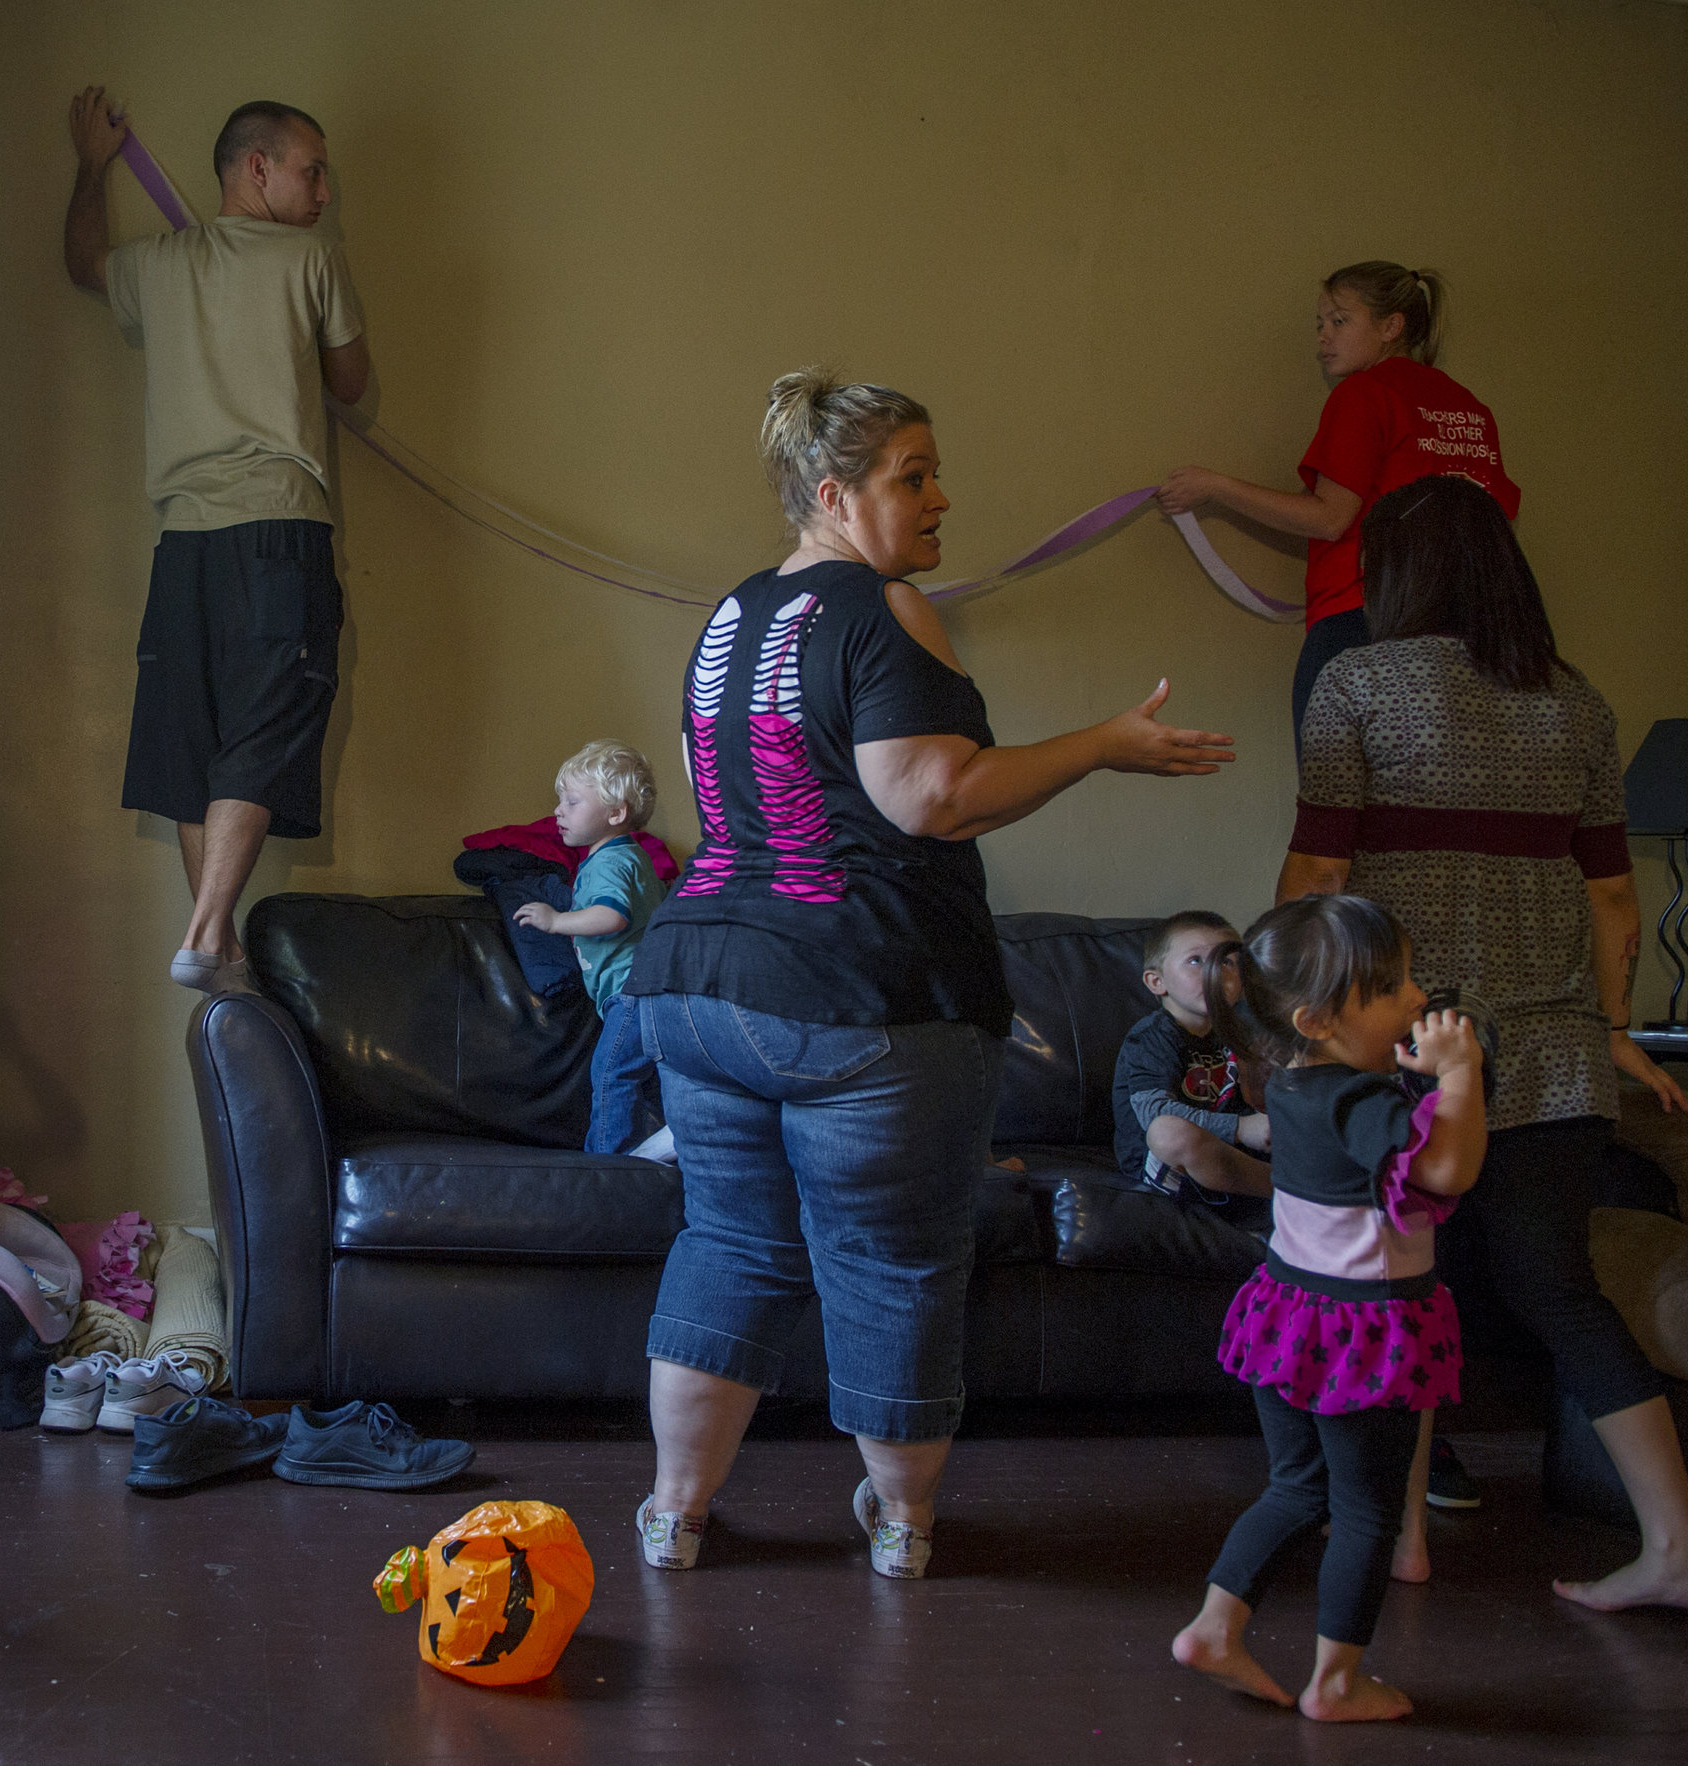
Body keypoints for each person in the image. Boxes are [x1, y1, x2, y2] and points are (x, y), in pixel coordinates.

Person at [620, 369, 1237, 1578]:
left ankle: (672, 1513)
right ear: (835, 491)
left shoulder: (733, 615)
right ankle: (901, 1527)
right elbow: (930, 794)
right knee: (889, 1258)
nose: (942, 496)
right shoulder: (881, 602)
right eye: (914, 476)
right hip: (861, 997)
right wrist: (1103, 745)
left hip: (695, 982)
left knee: (730, 1246)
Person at [1279, 474, 1688, 1610]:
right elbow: (1615, 904)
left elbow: (1318, 877)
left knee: (1396, 1282)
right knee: (1560, 1291)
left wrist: (1295, 1021)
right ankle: (1681, 1543)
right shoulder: (1574, 703)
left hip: (1402, 1048)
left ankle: (1398, 1541)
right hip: (1549, 1053)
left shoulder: (1358, 684)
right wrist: (1614, 1029)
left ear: (1397, 572)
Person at [64, 90, 371, 996]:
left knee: (190, 739)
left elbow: (83, 263)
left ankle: (216, 942)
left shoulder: (161, 266)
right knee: (266, 720)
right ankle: (207, 933)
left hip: (184, 542)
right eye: (311, 171)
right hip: (279, 527)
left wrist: (90, 165)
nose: (322, 194)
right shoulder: (313, 257)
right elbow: (351, 383)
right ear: (256, 168)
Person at [1172, 895, 1485, 1723]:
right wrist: (1460, 1075)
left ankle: (1215, 1625)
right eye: (1392, 986)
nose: (1417, 997)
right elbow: (1449, 1173)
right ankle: (1337, 1683)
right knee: (1366, 1511)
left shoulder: (1297, 1087)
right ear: (1315, 1018)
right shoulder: (1362, 1102)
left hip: (1288, 1317)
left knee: (1295, 1489)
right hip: (1362, 1333)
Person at [1156, 262, 1518, 742]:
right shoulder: (1470, 409)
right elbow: (1501, 517)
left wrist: (1214, 487)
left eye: (1340, 321)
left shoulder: (1365, 395)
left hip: (1363, 621)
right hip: (1471, 632)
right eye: (1320, 324)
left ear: (1392, 326)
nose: (1324, 337)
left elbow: (1329, 517)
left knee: (1339, 794)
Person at [512, 740, 671, 1157]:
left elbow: (611, 916)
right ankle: (665, 1147)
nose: (558, 811)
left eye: (572, 802)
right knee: (652, 1081)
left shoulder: (611, 863)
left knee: (610, 1074)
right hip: (651, 993)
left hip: (633, 993)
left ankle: (604, 1165)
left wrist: (556, 921)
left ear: (615, 814)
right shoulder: (625, 857)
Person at [1112, 910, 1272, 1201]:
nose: (1216, 973)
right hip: (1167, 1168)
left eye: (1227, 961)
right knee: (1168, 1132)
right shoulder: (1151, 1037)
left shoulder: (1238, 1030)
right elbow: (1153, 1112)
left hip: (1226, 1159)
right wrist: (1241, 1128)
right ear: (1156, 982)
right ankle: (1286, 1191)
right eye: (1196, 961)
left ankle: (1306, 1186)